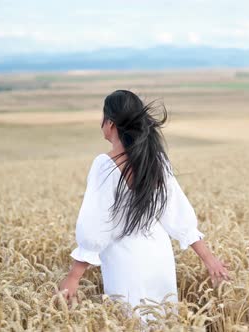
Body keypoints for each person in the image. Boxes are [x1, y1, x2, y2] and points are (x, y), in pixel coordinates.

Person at [57, 90, 231, 322]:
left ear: (110, 123)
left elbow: (95, 227)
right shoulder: (156, 160)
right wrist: (210, 260)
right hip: (159, 259)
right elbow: (178, 216)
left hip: (126, 262)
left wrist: (74, 276)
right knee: (163, 322)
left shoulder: (104, 165)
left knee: (131, 322)